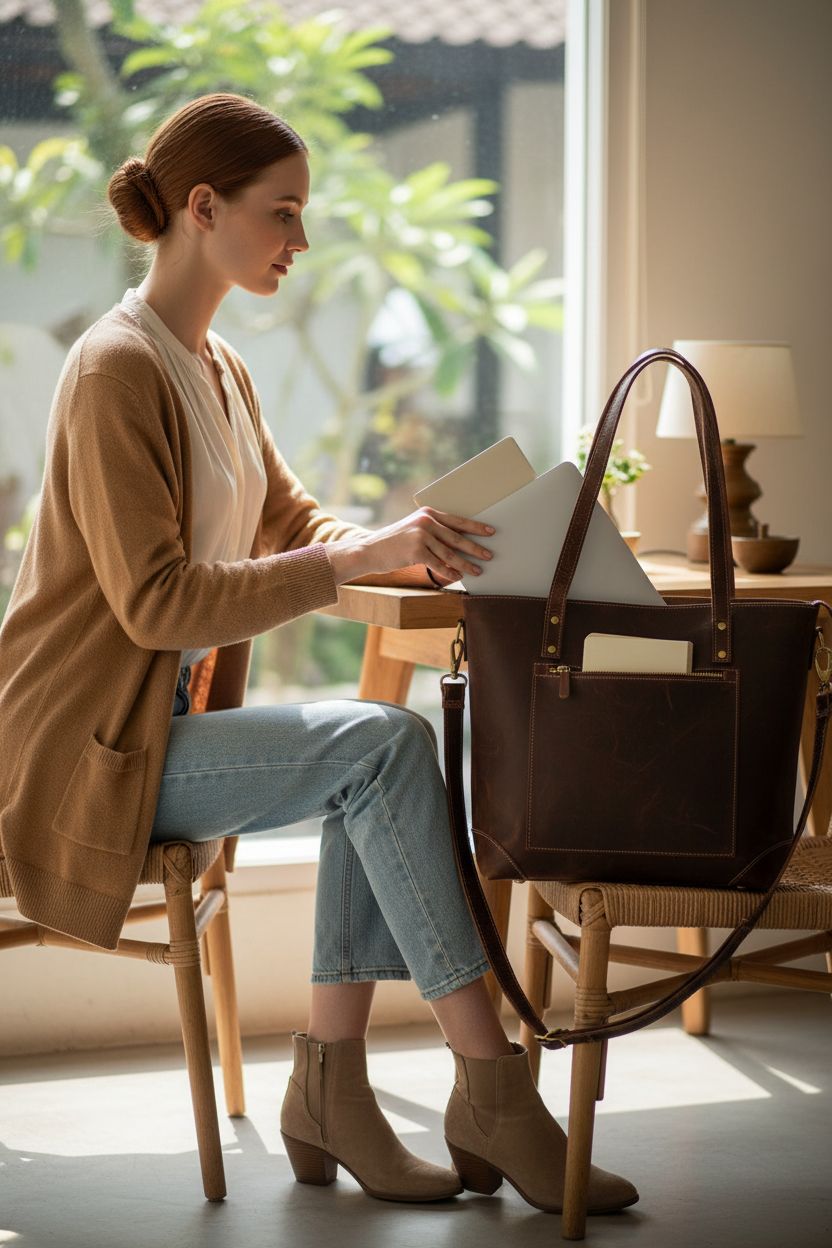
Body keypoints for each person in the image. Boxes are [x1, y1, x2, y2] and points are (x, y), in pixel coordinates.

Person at [0, 92, 636, 1215]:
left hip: (160, 735)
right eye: (282, 212)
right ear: (203, 208)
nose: (301, 241)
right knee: (382, 743)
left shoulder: (218, 369)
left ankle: (333, 1089)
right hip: (82, 752)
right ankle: (488, 1085)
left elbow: (298, 531)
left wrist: (417, 551)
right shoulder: (115, 371)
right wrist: (357, 562)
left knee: (373, 759)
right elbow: (156, 608)